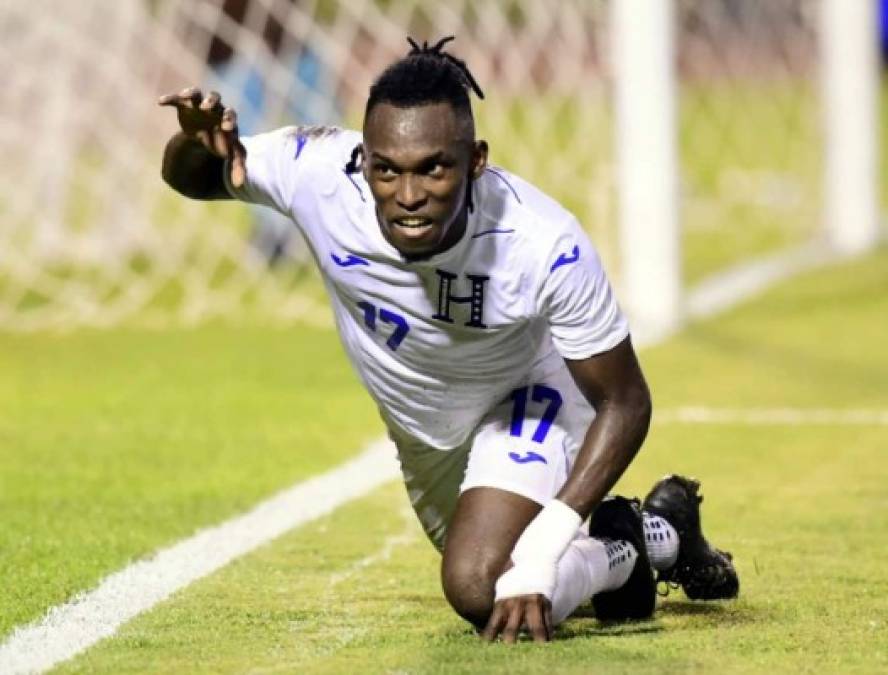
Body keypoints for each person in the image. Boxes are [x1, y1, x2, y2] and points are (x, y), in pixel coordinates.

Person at [159, 37, 738, 643]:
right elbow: (199, 176)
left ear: (476, 160)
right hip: (425, 436)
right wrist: (195, 143)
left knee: (482, 585)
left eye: (433, 167)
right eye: (387, 169)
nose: (408, 197)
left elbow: (626, 401)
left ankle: (609, 555)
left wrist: (544, 546)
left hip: (525, 397)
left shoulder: (541, 243)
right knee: (499, 568)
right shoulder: (318, 172)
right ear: (363, 159)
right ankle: (658, 536)